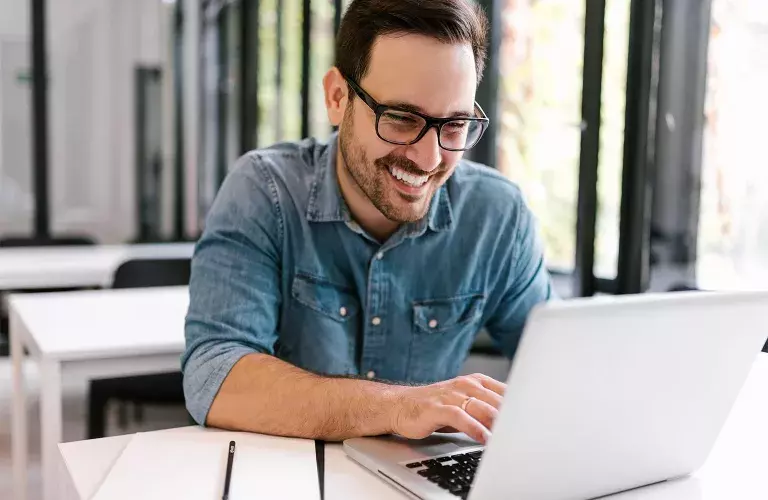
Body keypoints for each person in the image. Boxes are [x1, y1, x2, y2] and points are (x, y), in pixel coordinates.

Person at [182, 0, 553, 445]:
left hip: (412, 482)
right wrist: (397, 407)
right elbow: (214, 376)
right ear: (338, 98)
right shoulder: (264, 191)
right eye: (400, 118)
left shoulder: (498, 217)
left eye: (454, 125)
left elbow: (559, 369)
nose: (430, 158)